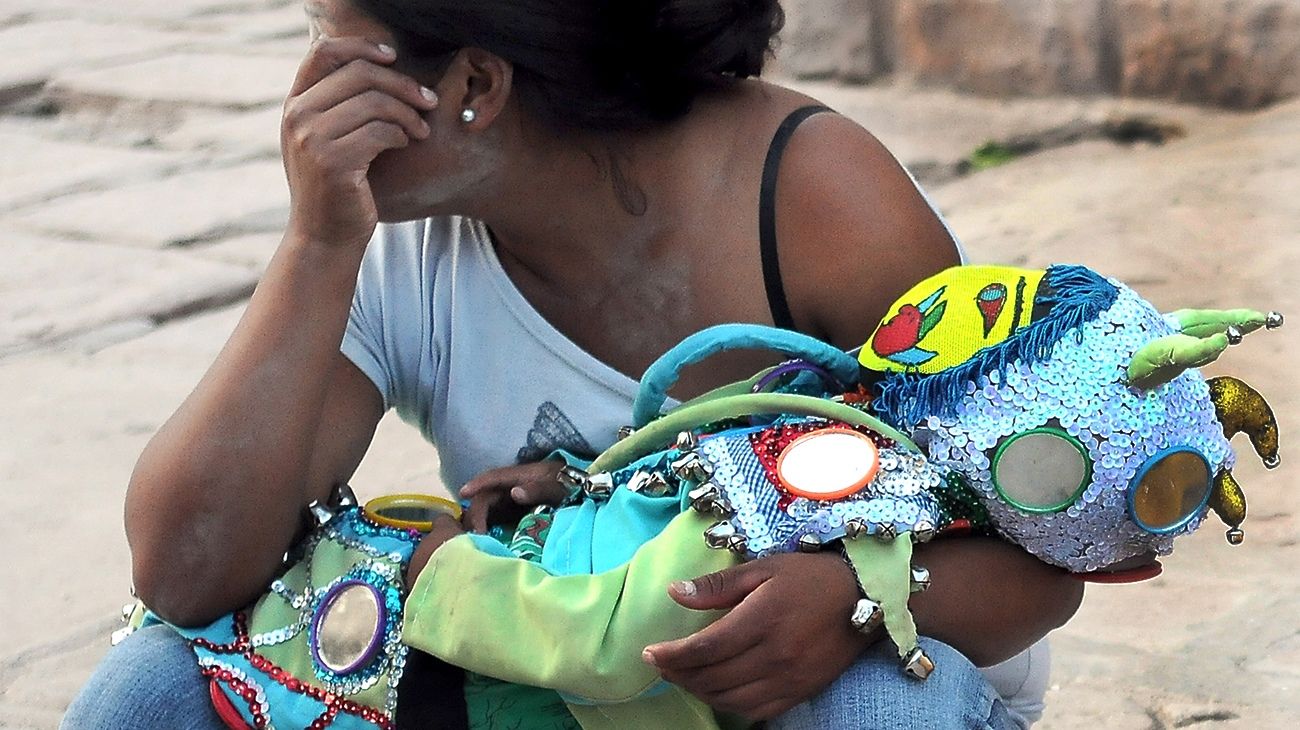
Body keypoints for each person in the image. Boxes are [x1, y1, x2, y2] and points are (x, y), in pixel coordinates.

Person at [63, 0, 1082, 727]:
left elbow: (1044, 556)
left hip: (798, 694)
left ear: (471, 85)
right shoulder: (390, 245)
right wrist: (315, 247)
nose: (305, 101)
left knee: (882, 702)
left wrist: (859, 601)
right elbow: (188, 571)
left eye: (335, 50)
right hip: (553, 694)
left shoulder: (821, 210)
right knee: (157, 681)